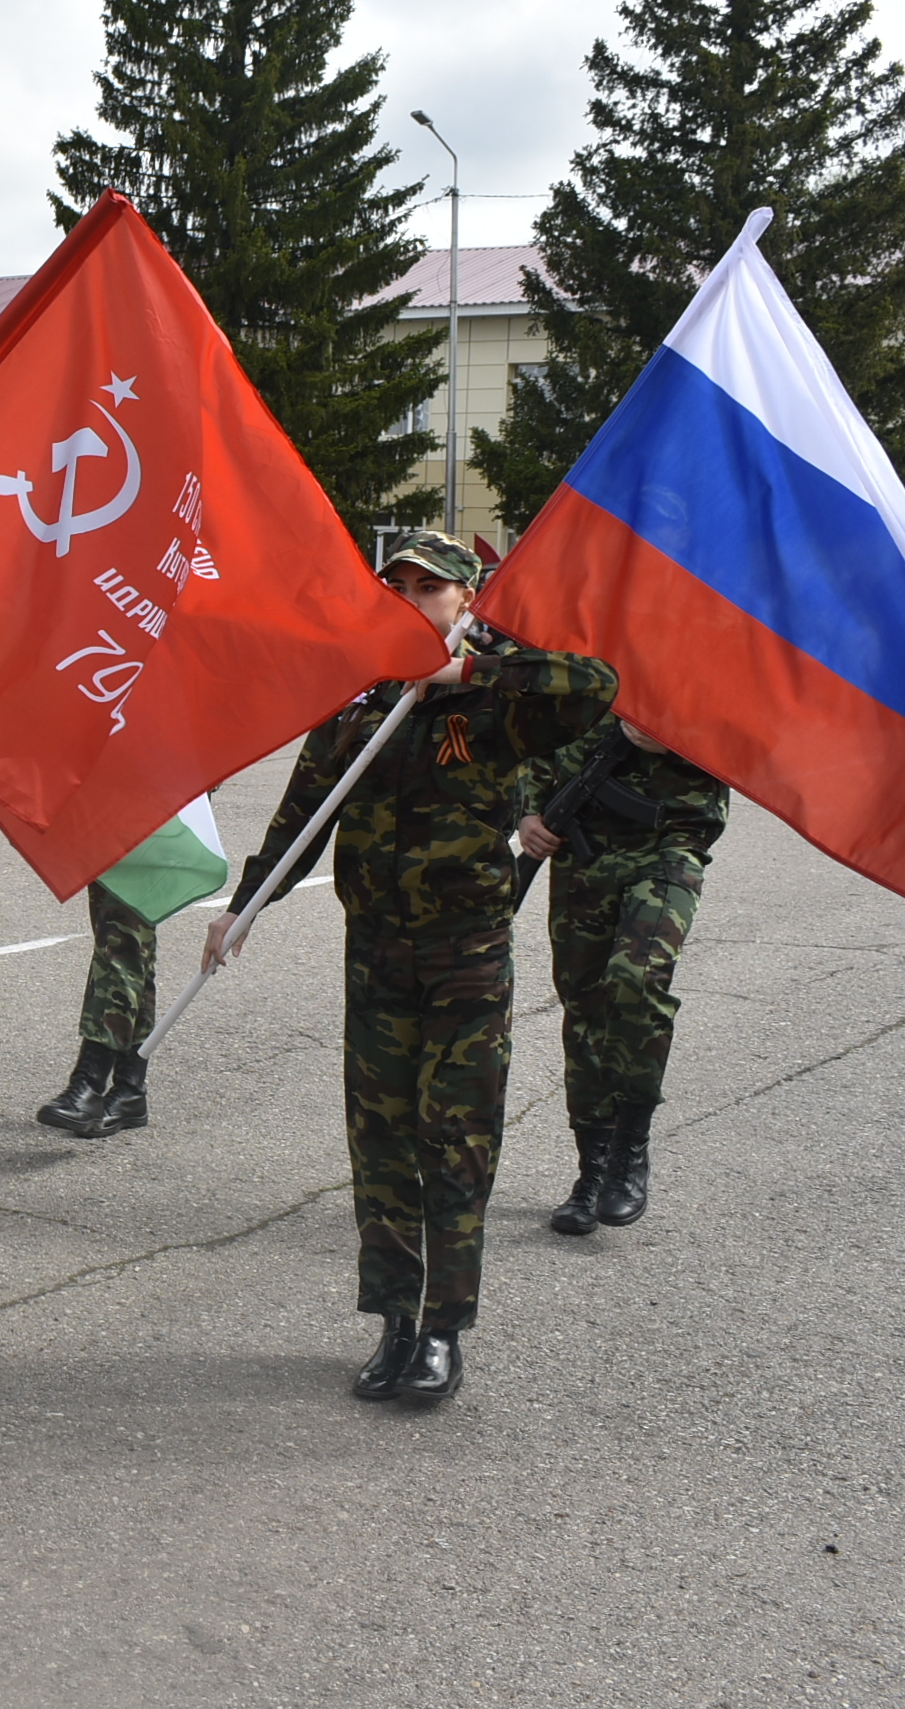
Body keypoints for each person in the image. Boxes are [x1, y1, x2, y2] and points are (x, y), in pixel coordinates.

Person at [214, 531, 617, 1405]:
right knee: (382, 1140)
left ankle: (444, 1329)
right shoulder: (359, 700)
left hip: (465, 956)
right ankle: (395, 1321)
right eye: (394, 586)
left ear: (466, 602)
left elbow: (595, 687)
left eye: (428, 589)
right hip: (376, 957)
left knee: (457, 1139)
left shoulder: (494, 697)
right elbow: (305, 812)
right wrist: (247, 906)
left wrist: (462, 677)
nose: (408, 600)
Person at [519, 717, 729, 1236]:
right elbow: (533, 730)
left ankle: (629, 1150)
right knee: (584, 1005)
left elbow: (757, 739)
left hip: (669, 844)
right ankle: (592, 1173)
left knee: (637, 980)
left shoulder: (710, 657)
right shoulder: (581, 651)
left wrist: (681, 737)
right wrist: (525, 809)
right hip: (582, 848)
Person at [35, 886, 159, 1137]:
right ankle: (129, 1089)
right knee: (130, 946)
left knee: (119, 946)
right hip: (119, 850)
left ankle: (88, 1084)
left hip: (146, 851)